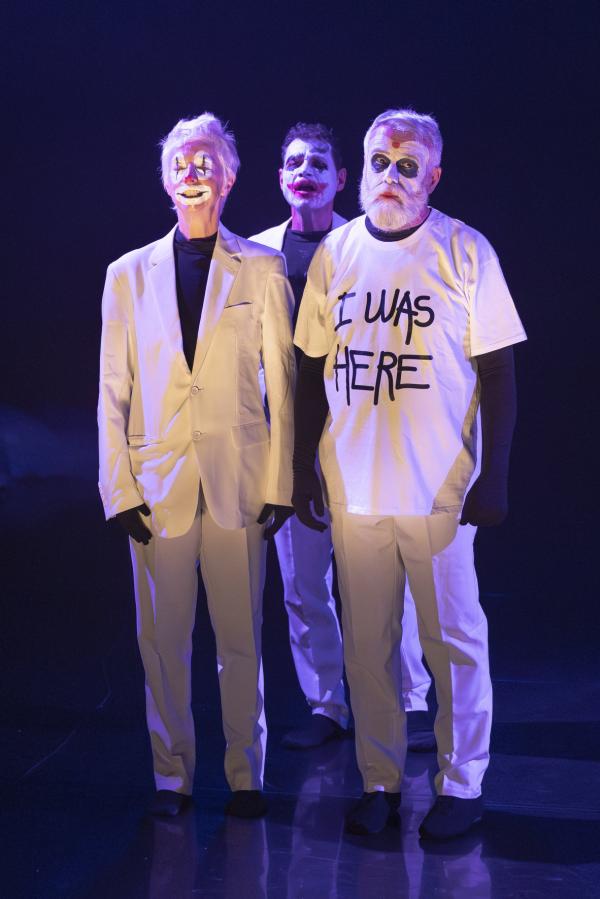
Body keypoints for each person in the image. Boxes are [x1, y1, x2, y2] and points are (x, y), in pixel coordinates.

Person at [293, 108, 526, 839]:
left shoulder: (465, 250)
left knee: (452, 641)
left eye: (407, 165)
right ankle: (379, 780)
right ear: (362, 169)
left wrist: (495, 476)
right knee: (367, 645)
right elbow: (309, 368)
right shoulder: (336, 252)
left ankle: (462, 783)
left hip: (439, 490)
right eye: (379, 162)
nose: (390, 176)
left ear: (433, 176)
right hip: (355, 486)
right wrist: (302, 465)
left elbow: (499, 374)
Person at [98, 113, 295, 819]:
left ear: (230, 177)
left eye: (206, 160)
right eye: (180, 162)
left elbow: (282, 384)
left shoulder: (262, 267)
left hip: (238, 483)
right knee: (162, 644)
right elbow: (113, 388)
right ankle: (171, 778)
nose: (193, 171)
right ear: (165, 179)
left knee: (241, 640)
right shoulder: (127, 275)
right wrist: (117, 487)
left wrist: (280, 482)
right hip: (157, 487)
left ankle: (246, 776)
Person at [251, 123, 433, 750]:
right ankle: (326, 705)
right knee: (304, 583)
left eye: (319, 163)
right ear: (281, 177)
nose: (305, 171)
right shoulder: (255, 254)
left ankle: (409, 701)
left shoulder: (370, 244)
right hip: (286, 441)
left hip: (364, 437)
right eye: (294, 162)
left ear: (341, 179)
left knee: (387, 579)